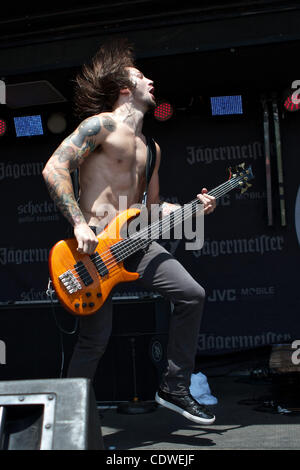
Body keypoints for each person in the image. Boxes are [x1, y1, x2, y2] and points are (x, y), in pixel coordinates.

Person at [42, 39, 217, 425]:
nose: (150, 81)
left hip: (136, 241)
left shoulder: (151, 147)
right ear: (125, 87)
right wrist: (77, 223)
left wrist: (195, 207)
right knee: (94, 340)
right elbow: (54, 168)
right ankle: (65, 423)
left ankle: (174, 385)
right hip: (93, 249)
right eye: (141, 76)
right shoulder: (100, 126)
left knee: (192, 294)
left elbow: (151, 209)